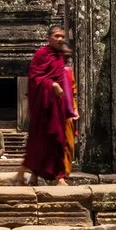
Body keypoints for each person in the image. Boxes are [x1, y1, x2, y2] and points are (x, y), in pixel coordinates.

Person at [19, 25, 78, 184]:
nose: (60, 39)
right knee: (39, 141)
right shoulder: (41, 55)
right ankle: (35, 174)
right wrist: (51, 85)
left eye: (62, 37)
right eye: (57, 36)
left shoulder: (60, 56)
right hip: (43, 106)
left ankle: (60, 177)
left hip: (56, 106)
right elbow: (34, 78)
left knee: (59, 140)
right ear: (48, 37)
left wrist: (71, 107)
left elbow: (66, 83)